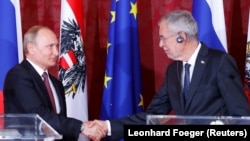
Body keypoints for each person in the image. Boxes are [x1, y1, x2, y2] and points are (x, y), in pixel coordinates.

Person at [92, 10, 250, 140]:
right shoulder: (173, 71)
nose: (161, 45)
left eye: (163, 38)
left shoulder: (219, 62)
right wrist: (108, 126)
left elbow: (240, 116)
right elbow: (153, 115)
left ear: (182, 37)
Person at [3, 25, 105, 141]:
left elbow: (58, 121)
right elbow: (38, 114)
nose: (56, 52)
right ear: (31, 48)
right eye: (50, 47)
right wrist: (81, 127)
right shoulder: (18, 75)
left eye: (56, 46)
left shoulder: (55, 83)